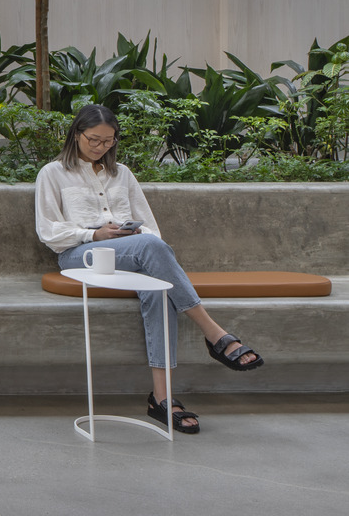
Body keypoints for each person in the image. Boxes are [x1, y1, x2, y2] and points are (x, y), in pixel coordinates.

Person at [35, 103, 264, 433]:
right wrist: (94, 233)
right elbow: (49, 231)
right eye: (94, 140)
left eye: (109, 141)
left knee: (157, 288)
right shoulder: (52, 173)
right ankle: (214, 333)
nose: (101, 147)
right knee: (150, 250)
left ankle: (162, 398)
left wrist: (130, 234)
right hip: (79, 255)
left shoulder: (122, 174)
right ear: (76, 134)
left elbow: (152, 232)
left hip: (131, 254)